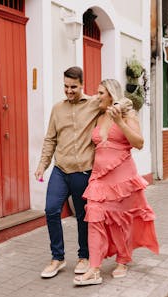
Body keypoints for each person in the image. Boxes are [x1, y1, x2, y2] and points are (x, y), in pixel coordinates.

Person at [74, 79, 159, 285]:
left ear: (111, 94)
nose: (98, 96)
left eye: (101, 93)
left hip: (122, 178)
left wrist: (120, 121)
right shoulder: (99, 115)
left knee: (119, 221)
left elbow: (138, 143)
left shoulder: (128, 115)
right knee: (94, 217)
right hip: (99, 177)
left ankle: (122, 259)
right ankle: (94, 269)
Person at [35, 66, 101, 278]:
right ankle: (57, 258)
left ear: (82, 84)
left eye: (73, 86)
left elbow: (115, 102)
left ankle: (84, 256)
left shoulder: (94, 104)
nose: (69, 90)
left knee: (82, 216)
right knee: (51, 210)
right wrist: (42, 165)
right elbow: (50, 139)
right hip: (61, 169)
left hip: (83, 171)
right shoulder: (57, 109)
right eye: (65, 86)